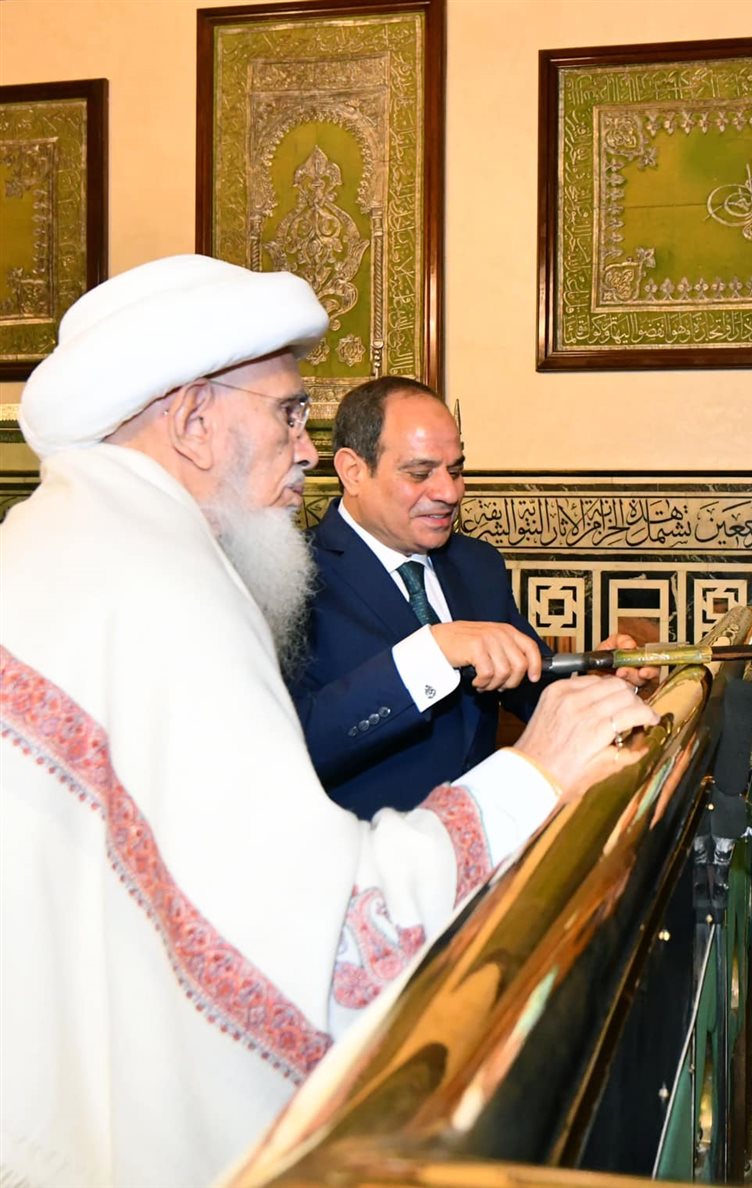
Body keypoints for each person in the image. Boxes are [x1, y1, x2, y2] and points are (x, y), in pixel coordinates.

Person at [0, 255, 657, 1187]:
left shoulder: (54, 547)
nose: (304, 448)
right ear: (193, 421)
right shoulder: (168, 590)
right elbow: (330, 943)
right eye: (287, 413)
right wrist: (535, 772)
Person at [288, 376, 652, 819]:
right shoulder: (290, 578)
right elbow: (292, 744)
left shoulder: (477, 565)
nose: (450, 492)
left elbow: (530, 682)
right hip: (367, 851)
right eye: (420, 473)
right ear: (353, 471)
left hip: (491, 837)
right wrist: (433, 652)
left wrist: (593, 679)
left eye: (456, 471)